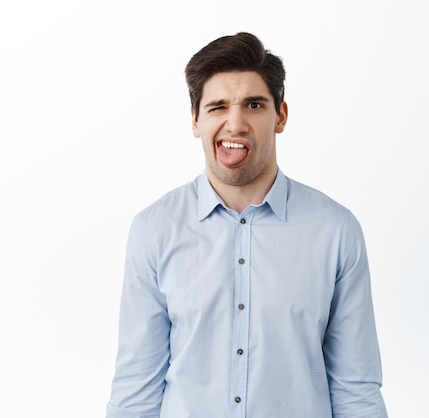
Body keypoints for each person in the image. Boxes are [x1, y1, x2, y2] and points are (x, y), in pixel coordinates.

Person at [106, 32, 387, 418]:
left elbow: (356, 389)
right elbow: (136, 389)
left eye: (253, 104)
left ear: (281, 116)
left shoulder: (335, 232)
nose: (234, 123)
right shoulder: (154, 231)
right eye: (218, 106)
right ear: (195, 121)